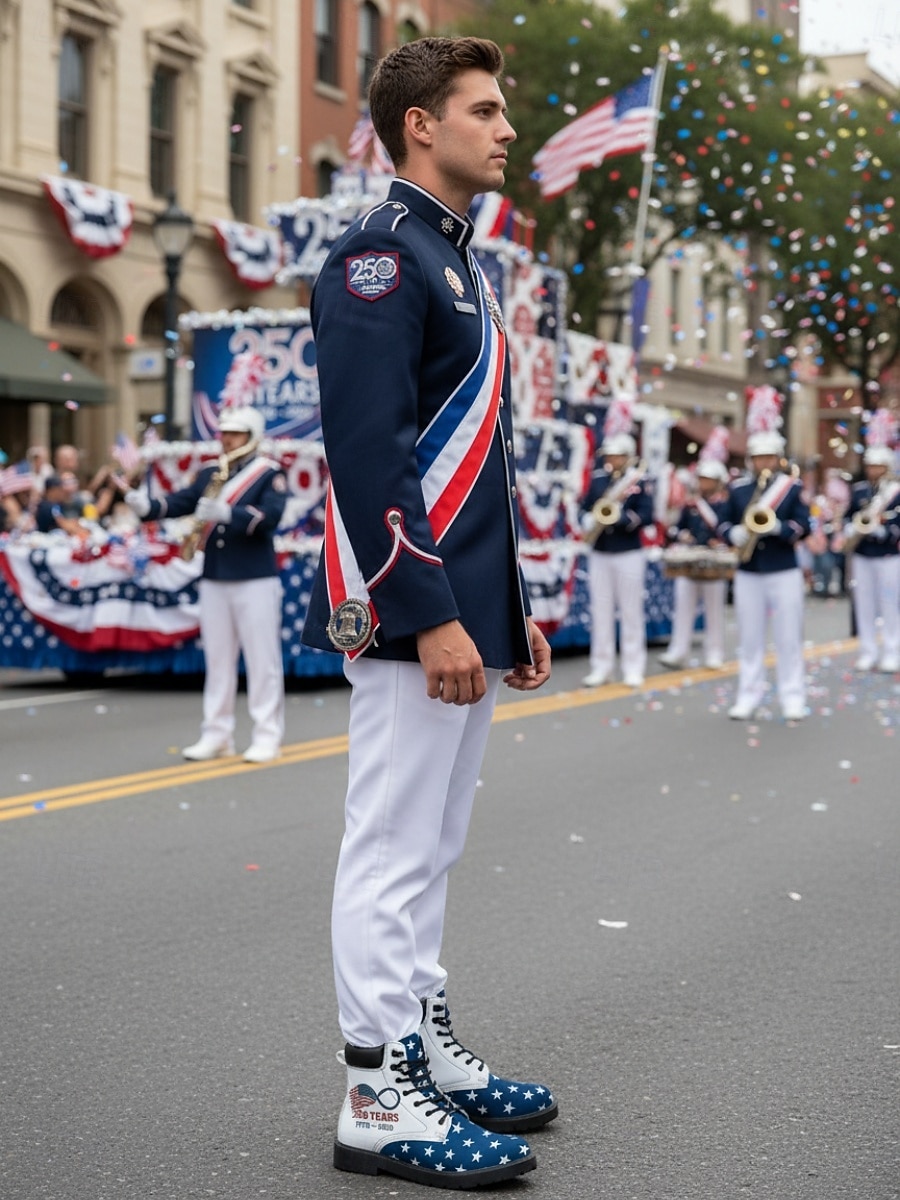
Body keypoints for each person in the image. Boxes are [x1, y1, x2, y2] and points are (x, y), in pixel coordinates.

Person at [300, 35, 555, 1189]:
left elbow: (479, 465)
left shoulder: (452, 261)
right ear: (421, 124)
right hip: (411, 610)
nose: (506, 129)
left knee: (432, 849)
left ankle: (420, 1046)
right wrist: (431, 612)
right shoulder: (380, 258)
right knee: (391, 849)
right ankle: (374, 1091)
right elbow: (371, 453)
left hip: (458, 606)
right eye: (485, 110)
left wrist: (506, 610)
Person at [126, 407, 287, 763]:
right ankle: (217, 734)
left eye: (235, 433)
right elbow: (181, 502)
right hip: (215, 575)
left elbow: (271, 516)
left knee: (262, 660)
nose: (226, 439)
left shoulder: (268, 473)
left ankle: (267, 735)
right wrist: (147, 506)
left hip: (254, 576)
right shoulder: (210, 472)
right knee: (217, 660)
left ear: (252, 437)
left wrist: (230, 514)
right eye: (224, 433)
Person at [718, 414, 810, 721]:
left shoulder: (792, 488)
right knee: (749, 638)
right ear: (750, 460)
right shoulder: (738, 489)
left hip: (783, 569)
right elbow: (723, 522)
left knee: (788, 636)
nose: (764, 463)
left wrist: (779, 528)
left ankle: (792, 696)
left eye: (769, 457)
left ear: (778, 458)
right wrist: (732, 533)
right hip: (749, 571)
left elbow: (804, 525)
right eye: (759, 458)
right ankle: (748, 695)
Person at [580, 410, 653, 688]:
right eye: (608, 455)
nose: (611, 460)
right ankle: (602, 666)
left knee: (631, 610)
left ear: (628, 456)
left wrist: (621, 518)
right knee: (601, 610)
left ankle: (633, 666)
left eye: (617, 456)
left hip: (628, 551)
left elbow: (646, 515)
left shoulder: (639, 481)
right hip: (600, 551)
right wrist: (585, 519)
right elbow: (584, 506)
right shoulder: (598, 479)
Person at [659, 458, 730, 670]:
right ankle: (678, 650)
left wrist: (721, 541)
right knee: (683, 607)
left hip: (714, 562)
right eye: (702, 479)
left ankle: (715, 652)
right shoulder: (691, 505)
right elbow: (676, 529)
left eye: (708, 480)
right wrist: (682, 535)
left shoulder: (725, 504)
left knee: (714, 610)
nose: (704, 484)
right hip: (690, 561)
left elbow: (729, 529)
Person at [841, 443, 900, 673]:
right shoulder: (859, 490)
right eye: (870, 466)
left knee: (889, 604)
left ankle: (892, 651)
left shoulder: (896, 492)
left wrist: (884, 531)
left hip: (888, 554)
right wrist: (848, 527)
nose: (873, 470)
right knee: (864, 604)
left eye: (878, 466)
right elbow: (848, 515)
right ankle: (868, 651)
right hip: (862, 553)